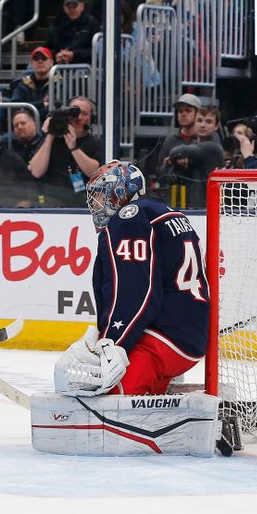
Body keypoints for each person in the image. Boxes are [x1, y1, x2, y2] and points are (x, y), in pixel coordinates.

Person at [53, 160, 209, 396]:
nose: (96, 205)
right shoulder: (165, 212)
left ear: (120, 192)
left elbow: (135, 292)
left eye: (101, 196)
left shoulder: (129, 218)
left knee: (108, 400)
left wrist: (113, 342)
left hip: (161, 343)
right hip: (187, 337)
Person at [28, 95, 102, 207]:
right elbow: (36, 172)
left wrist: (73, 147)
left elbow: (95, 173)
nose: (79, 117)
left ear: (92, 118)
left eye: (84, 113)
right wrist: (50, 135)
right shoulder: (52, 141)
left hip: (83, 205)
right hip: (51, 204)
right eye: (75, 113)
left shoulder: (95, 142)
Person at [45, 0, 100, 65]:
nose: (71, 10)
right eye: (68, 6)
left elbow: (97, 51)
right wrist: (56, 55)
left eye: (74, 6)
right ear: (64, 8)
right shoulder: (57, 23)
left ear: (82, 6)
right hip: (59, 67)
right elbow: (48, 48)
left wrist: (75, 55)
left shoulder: (92, 23)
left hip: (85, 68)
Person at [156, 93, 201, 174]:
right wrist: (169, 164)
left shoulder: (205, 138)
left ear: (197, 114)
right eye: (180, 111)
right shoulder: (170, 139)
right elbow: (160, 172)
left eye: (188, 111)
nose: (183, 114)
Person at [9, 46, 54, 121]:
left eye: (44, 58)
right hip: (26, 126)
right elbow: (15, 108)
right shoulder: (24, 83)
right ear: (32, 64)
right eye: (36, 59)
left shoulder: (59, 82)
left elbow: (55, 108)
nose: (40, 61)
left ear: (51, 62)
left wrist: (28, 109)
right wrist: (41, 104)